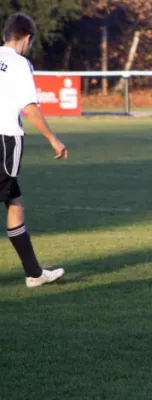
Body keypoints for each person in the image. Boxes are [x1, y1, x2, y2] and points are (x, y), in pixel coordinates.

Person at [0, 13, 68, 287]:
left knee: (14, 201)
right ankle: (35, 274)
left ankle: (35, 273)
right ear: (27, 39)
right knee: (10, 198)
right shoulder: (19, 64)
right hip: (5, 141)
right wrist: (53, 139)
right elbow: (29, 108)